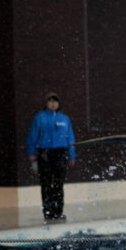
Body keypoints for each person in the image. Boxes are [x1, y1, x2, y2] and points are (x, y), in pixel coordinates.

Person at [26, 92, 75, 224]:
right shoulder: (40, 118)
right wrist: (31, 153)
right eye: (50, 101)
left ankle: (58, 212)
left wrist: (72, 154)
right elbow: (32, 136)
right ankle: (48, 213)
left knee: (58, 184)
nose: (53, 103)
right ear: (46, 103)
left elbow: (70, 137)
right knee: (46, 184)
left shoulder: (65, 119)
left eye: (55, 101)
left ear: (58, 103)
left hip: (60, 153)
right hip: (45, 153)